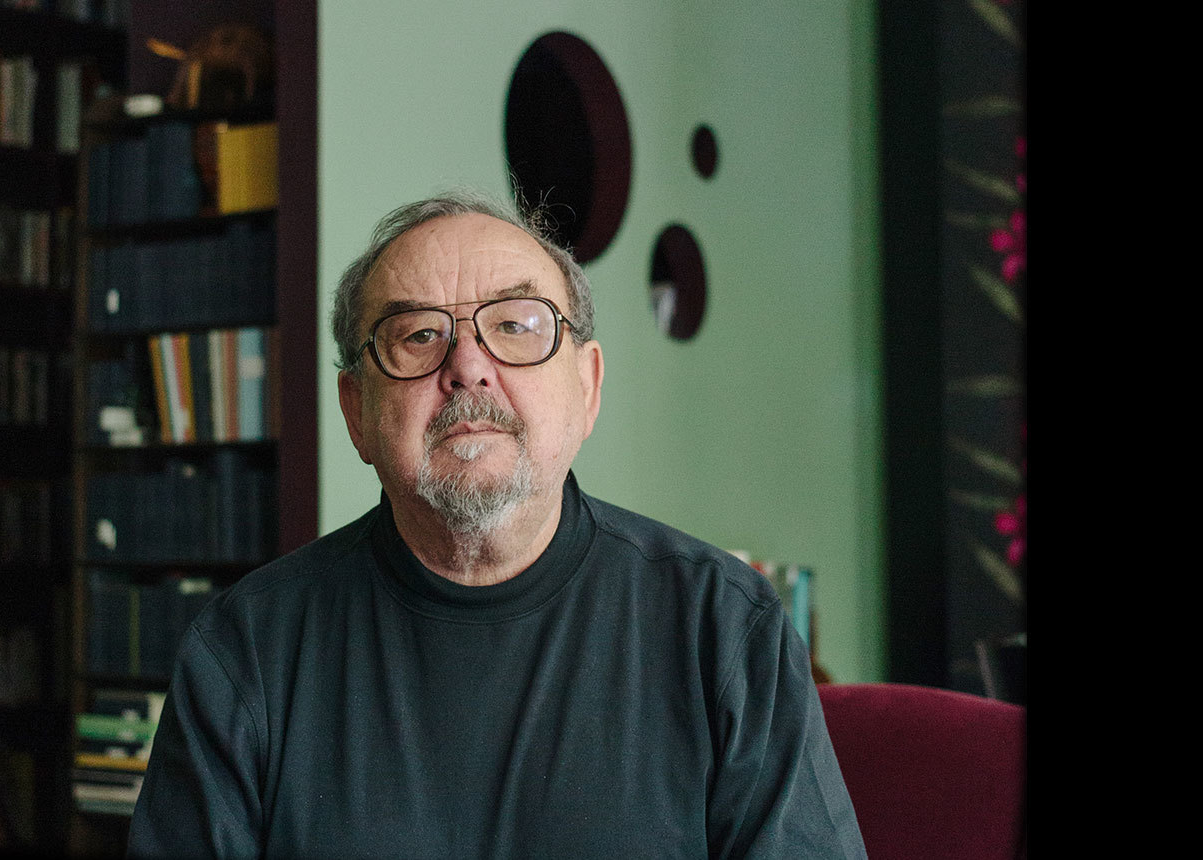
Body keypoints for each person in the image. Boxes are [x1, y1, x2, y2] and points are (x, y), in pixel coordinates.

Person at [128, 191, 868, 858]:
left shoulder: (726, 630)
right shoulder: (244, 652)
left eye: (515, 326)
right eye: (418, 336)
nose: (468, 367)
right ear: (356, 413)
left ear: (587, 387)